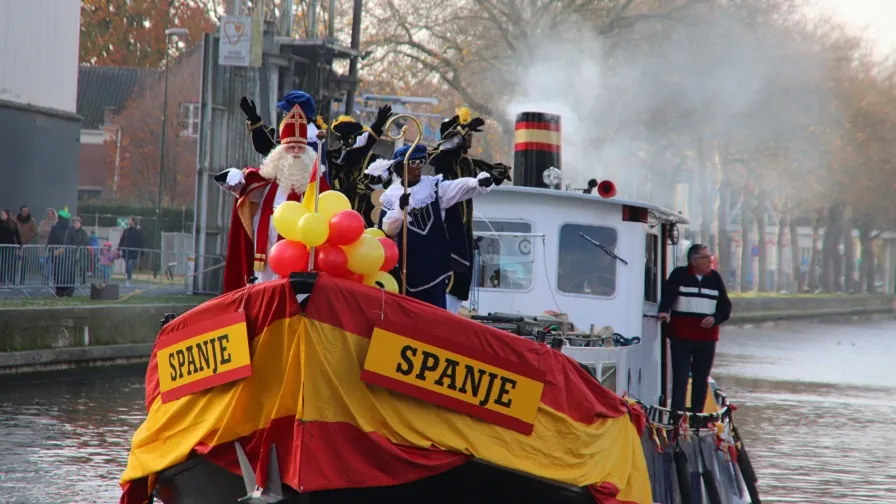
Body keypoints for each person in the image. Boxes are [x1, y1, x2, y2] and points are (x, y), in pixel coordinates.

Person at [215, 95, 329, 293]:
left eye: (300, 147)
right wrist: (235, 181)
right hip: (266, 250)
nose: (296, 152)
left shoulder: (316, 183)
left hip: (300, 252)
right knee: (264, 288)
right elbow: (248, 197)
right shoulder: (267, 178)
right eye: (291, 147)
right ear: (281, 151)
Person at [375, 144, 500, 310]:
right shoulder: (392, 195)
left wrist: (476, 182)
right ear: (401, 167)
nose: (418, 167)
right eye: (413, 163)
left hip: (434, 264)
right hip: (407, 267)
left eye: (421, 162)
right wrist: (399, 209)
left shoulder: (433, 186)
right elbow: (388, 231)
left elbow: (455, 187)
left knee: (435, 312)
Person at [428, 107, 511, 313]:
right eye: (468, 134)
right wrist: (461, 131)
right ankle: (441, 313)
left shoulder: (466, 162)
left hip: (464, 228)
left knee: (462, 276)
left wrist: (495, 174)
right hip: (445, 226)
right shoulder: (440, 158)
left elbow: (481, 178)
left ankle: (451, 315)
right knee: (447, 272)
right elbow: (444, 148)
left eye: (471, 134)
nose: (471, 137)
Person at [657, 244, 732, 413]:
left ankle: (697, 416)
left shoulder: (715, 279)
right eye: (707, 258)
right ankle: (677, 416)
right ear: (694, 260)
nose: (710, 261)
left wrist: (714, 318)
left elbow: (725, 308)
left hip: (706, 339)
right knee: (680, 378)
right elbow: (668, 295)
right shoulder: (679, 275)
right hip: (681, 337)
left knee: (701, 379)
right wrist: (664, 311)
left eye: (710, 257)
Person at [239, 91, 330, 185]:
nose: (284, 115)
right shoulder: (301, 134)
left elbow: (276, 157)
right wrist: (256, 124)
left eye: (287, 112)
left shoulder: (310, 140)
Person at [326, 105, 394, 228]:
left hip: (361, 217)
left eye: (350, 138)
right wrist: (343, 191)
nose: (345, 143)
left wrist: (363, 187)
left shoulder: (371, 158)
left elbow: (380, 192)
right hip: (333, 214)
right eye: (343, 138)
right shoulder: (330, 156)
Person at [117, 216, 144, 286]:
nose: (128, 221)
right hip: (126, 252)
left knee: (129, 265)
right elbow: (122, 240)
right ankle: (129, 278)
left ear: (133, 221)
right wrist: (118, 249)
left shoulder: (137, 232)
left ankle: (129, 279)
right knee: (127, 266)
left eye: (130, 220)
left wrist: (142, 254)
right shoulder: (126, 231)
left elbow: (141, 243)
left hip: (133, 252)